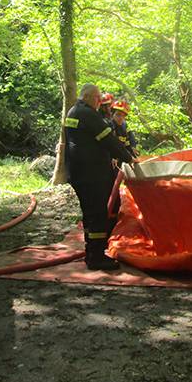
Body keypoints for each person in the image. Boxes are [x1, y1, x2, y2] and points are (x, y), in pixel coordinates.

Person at [64, 84, 133, 270]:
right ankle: (96, 257)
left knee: (89, 213)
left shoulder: (73, 112)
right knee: (98, 214)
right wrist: (129, 158)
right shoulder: (88, 114)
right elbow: (109, 140)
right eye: (97, 98)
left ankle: (91, 252)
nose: (99, 102)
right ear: (88, 96)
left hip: (77, 172)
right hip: (92, 173)